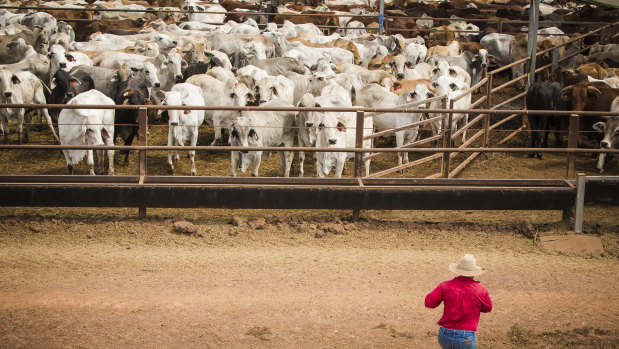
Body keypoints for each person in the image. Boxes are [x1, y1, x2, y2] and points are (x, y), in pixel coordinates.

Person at [425, 254, 493, 349]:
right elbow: (488, 308)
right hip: (466, 336)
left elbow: (429, 303)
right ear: (474, 271)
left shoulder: (445, 286)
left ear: (459, 270)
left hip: (445, 334)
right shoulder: (481, 290)